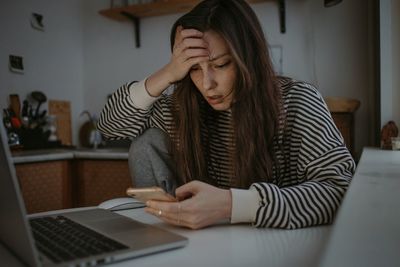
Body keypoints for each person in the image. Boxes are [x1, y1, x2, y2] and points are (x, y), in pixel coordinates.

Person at [98, 0, 355, 230]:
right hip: (200, 248)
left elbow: (340, 190)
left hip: (277, 246)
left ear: (249, 58)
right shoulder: (180, 107)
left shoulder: (297, 101)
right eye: (193, 69)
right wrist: (168, 73)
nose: (207, 84)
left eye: (221, 65)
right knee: (145, 141)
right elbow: (110, 127)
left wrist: (231, 205)